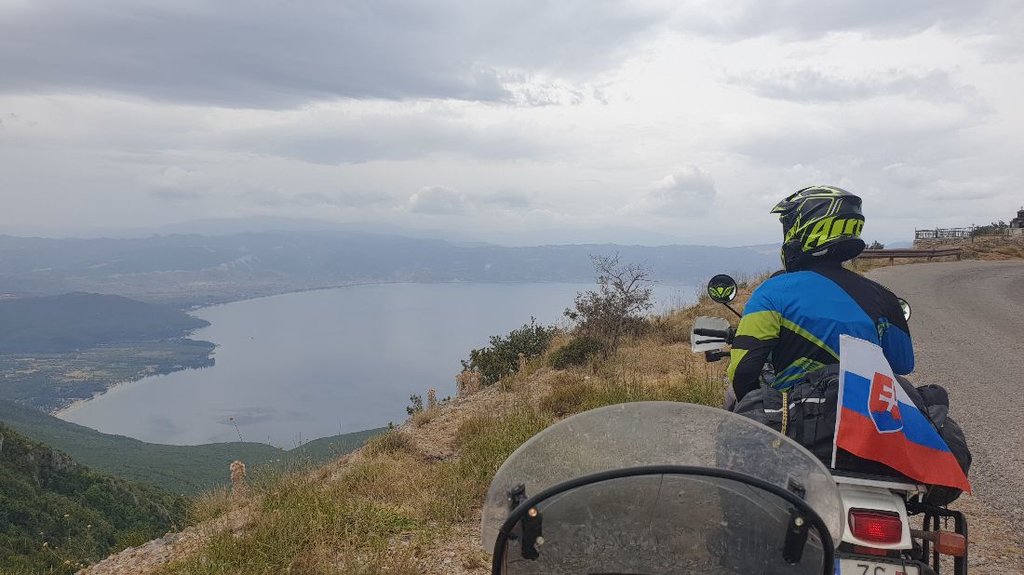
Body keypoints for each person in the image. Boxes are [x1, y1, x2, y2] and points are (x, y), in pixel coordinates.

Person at [727, 185, 914, 403]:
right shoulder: (884, 297)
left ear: (804, 228)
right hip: (865, 423)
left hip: (794, 423)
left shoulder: (772, 292)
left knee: (732, 398)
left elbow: (742, 372)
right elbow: (903, 364)